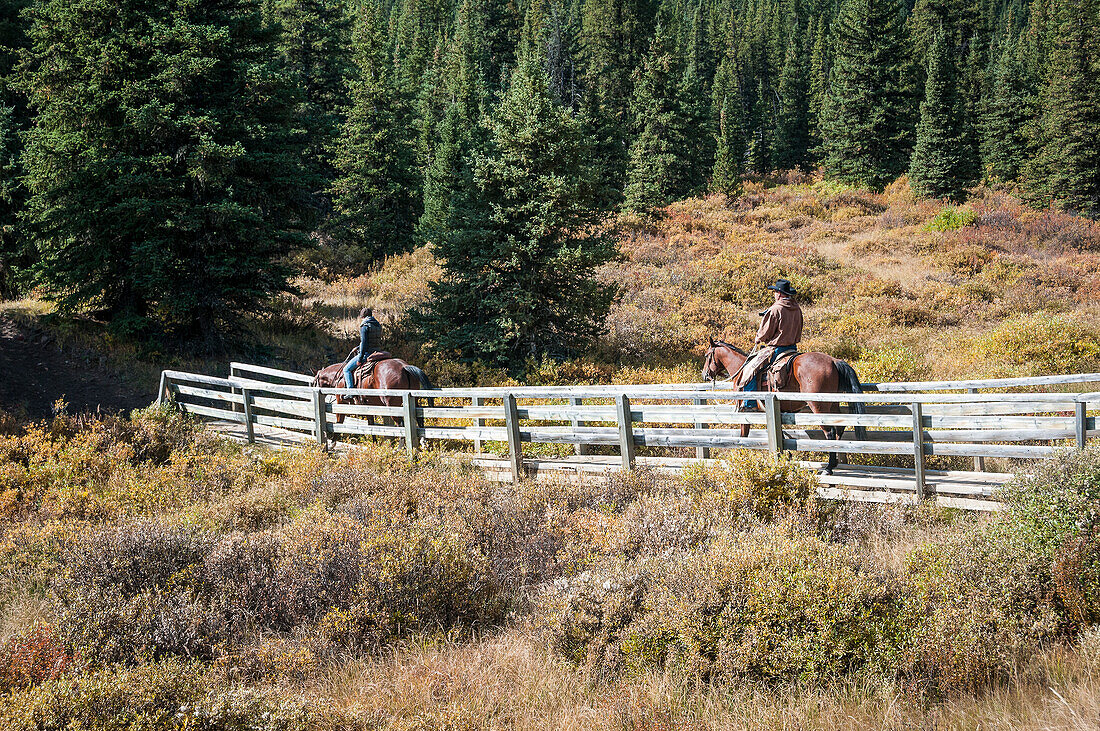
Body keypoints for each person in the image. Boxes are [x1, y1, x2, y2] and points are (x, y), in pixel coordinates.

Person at [739, 279, 803, 409]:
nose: (774, 294)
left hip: (777, 350)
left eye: (774, 292)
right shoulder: (797, 309)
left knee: (750, 369)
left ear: (779, 293)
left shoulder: (775, 309)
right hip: (793, 349)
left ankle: (750, 404)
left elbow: (765, 333)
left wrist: (758, 338)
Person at [343, 308, 382, 389]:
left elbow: (364, 343)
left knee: (346, 370)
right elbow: (372, 340)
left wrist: (360, 359)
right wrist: (358, 347)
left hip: (367, 354)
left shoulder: (365, 326)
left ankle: (350, 391)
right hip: (377, 352)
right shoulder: (377, 325)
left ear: (363, 317)